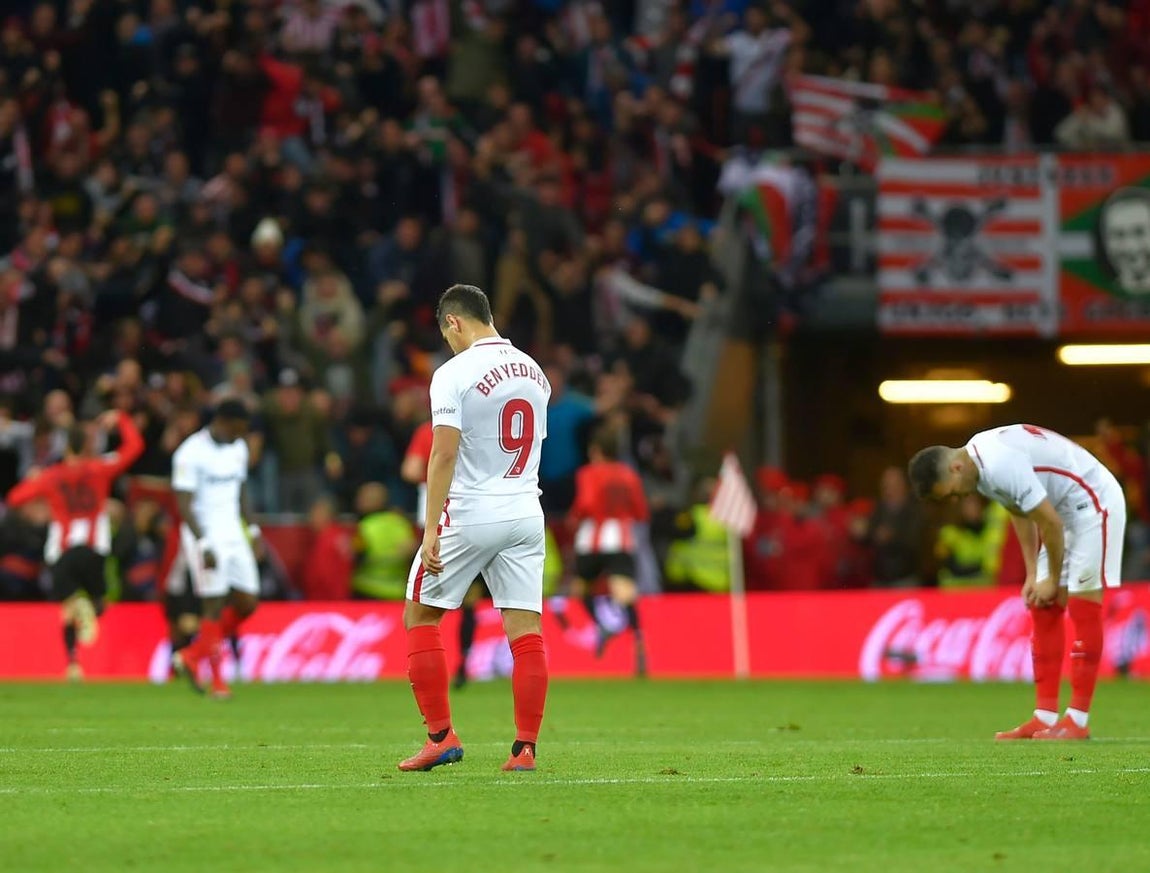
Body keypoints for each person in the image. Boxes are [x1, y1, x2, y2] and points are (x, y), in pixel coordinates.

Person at [398, 284, 551, 773]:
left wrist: (430, 528)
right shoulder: (535, 371)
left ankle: (441, 736)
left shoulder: (452, 373)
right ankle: (524, 748)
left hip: (470, 511)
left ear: (454, 323)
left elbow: (443, 452)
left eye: (447, 334)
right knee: (526, 633)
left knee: (420, 616)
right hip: (526, 509)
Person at [908, 423, 1126, 740]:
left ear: (955, 467)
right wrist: (1033, 575)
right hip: (1062, 509)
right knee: (1043, 606)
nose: (958, 498)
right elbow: (1019, 511)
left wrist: (1050, 577)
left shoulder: (998, 463)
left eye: (953, 492)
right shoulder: (979, 467)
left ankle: (1077, 720)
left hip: (1094, 502)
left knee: (1082, 606)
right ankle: (1044, 717)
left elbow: (1048, 521)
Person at [5, 410, 144, 680]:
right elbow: (135, 447)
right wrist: (122, 419)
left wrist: (33, 482)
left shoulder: (51, 476)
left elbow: (14, 498)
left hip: (63, 550)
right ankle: (85, 619)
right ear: (87, 446)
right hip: (94, 549)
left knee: (67, 609)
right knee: (98, 604)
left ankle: (72, 663)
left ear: (66, 446)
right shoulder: (100, 468)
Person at [170, 400, 262, 700]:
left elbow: (242, 491)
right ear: (224, 422)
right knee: (213, 603)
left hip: (234, 531)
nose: (242, 436)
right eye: (239, 429)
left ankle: (194, 654)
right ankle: (218, 681)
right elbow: (184, 504)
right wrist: (203, 543)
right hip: (204, 534)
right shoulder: (190, 452)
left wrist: (254, 530)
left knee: (248, 602)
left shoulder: (238, 448)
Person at [568, 429, 649, 675]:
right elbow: (640, 511)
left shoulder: (588, 473)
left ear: (595, 451)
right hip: (622, 538)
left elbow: (586, 503)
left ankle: (602, 624)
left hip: (593, 538)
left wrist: (575, 518)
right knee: (625, 594)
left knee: (579, 590)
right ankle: (639, 642)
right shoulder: (629, 475)